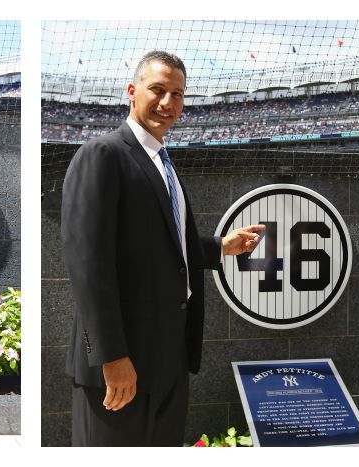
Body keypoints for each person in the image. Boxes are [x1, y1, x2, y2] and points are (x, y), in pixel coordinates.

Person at [61, 50, 265, 446]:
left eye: (178, 94)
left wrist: (220, 247)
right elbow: (88, 262)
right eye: (157, 90)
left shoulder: (163, 163)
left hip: (168, 361)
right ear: (132, 91)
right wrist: (112, 357)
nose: (168, 103)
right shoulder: (102, 155)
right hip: (122, 362)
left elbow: (159, 246)